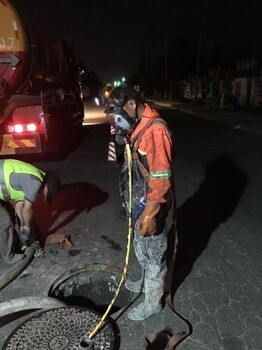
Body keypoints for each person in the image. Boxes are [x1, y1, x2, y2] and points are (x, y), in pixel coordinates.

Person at [105, 86, 174, 321]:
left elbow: (161, 180)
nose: (118, 121)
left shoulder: (156, 129)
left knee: (155, 254)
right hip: (137, 202)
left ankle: (153, 302)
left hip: (151, 204)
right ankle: (144, 283)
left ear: (132, 104)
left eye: (118, 114)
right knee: (140, 247)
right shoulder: (136, 128)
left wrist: (151, 214)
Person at [0, 159, 61, 264]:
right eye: (46, 194)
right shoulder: (34, 183)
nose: (43, 195)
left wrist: (22, 225)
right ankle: (8, 257)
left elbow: (19, 205)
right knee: (5, 222)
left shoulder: (37, 175)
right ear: (46, 187)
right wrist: (26, 229)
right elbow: (27, 210)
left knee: (11, 216)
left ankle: (14, 244)